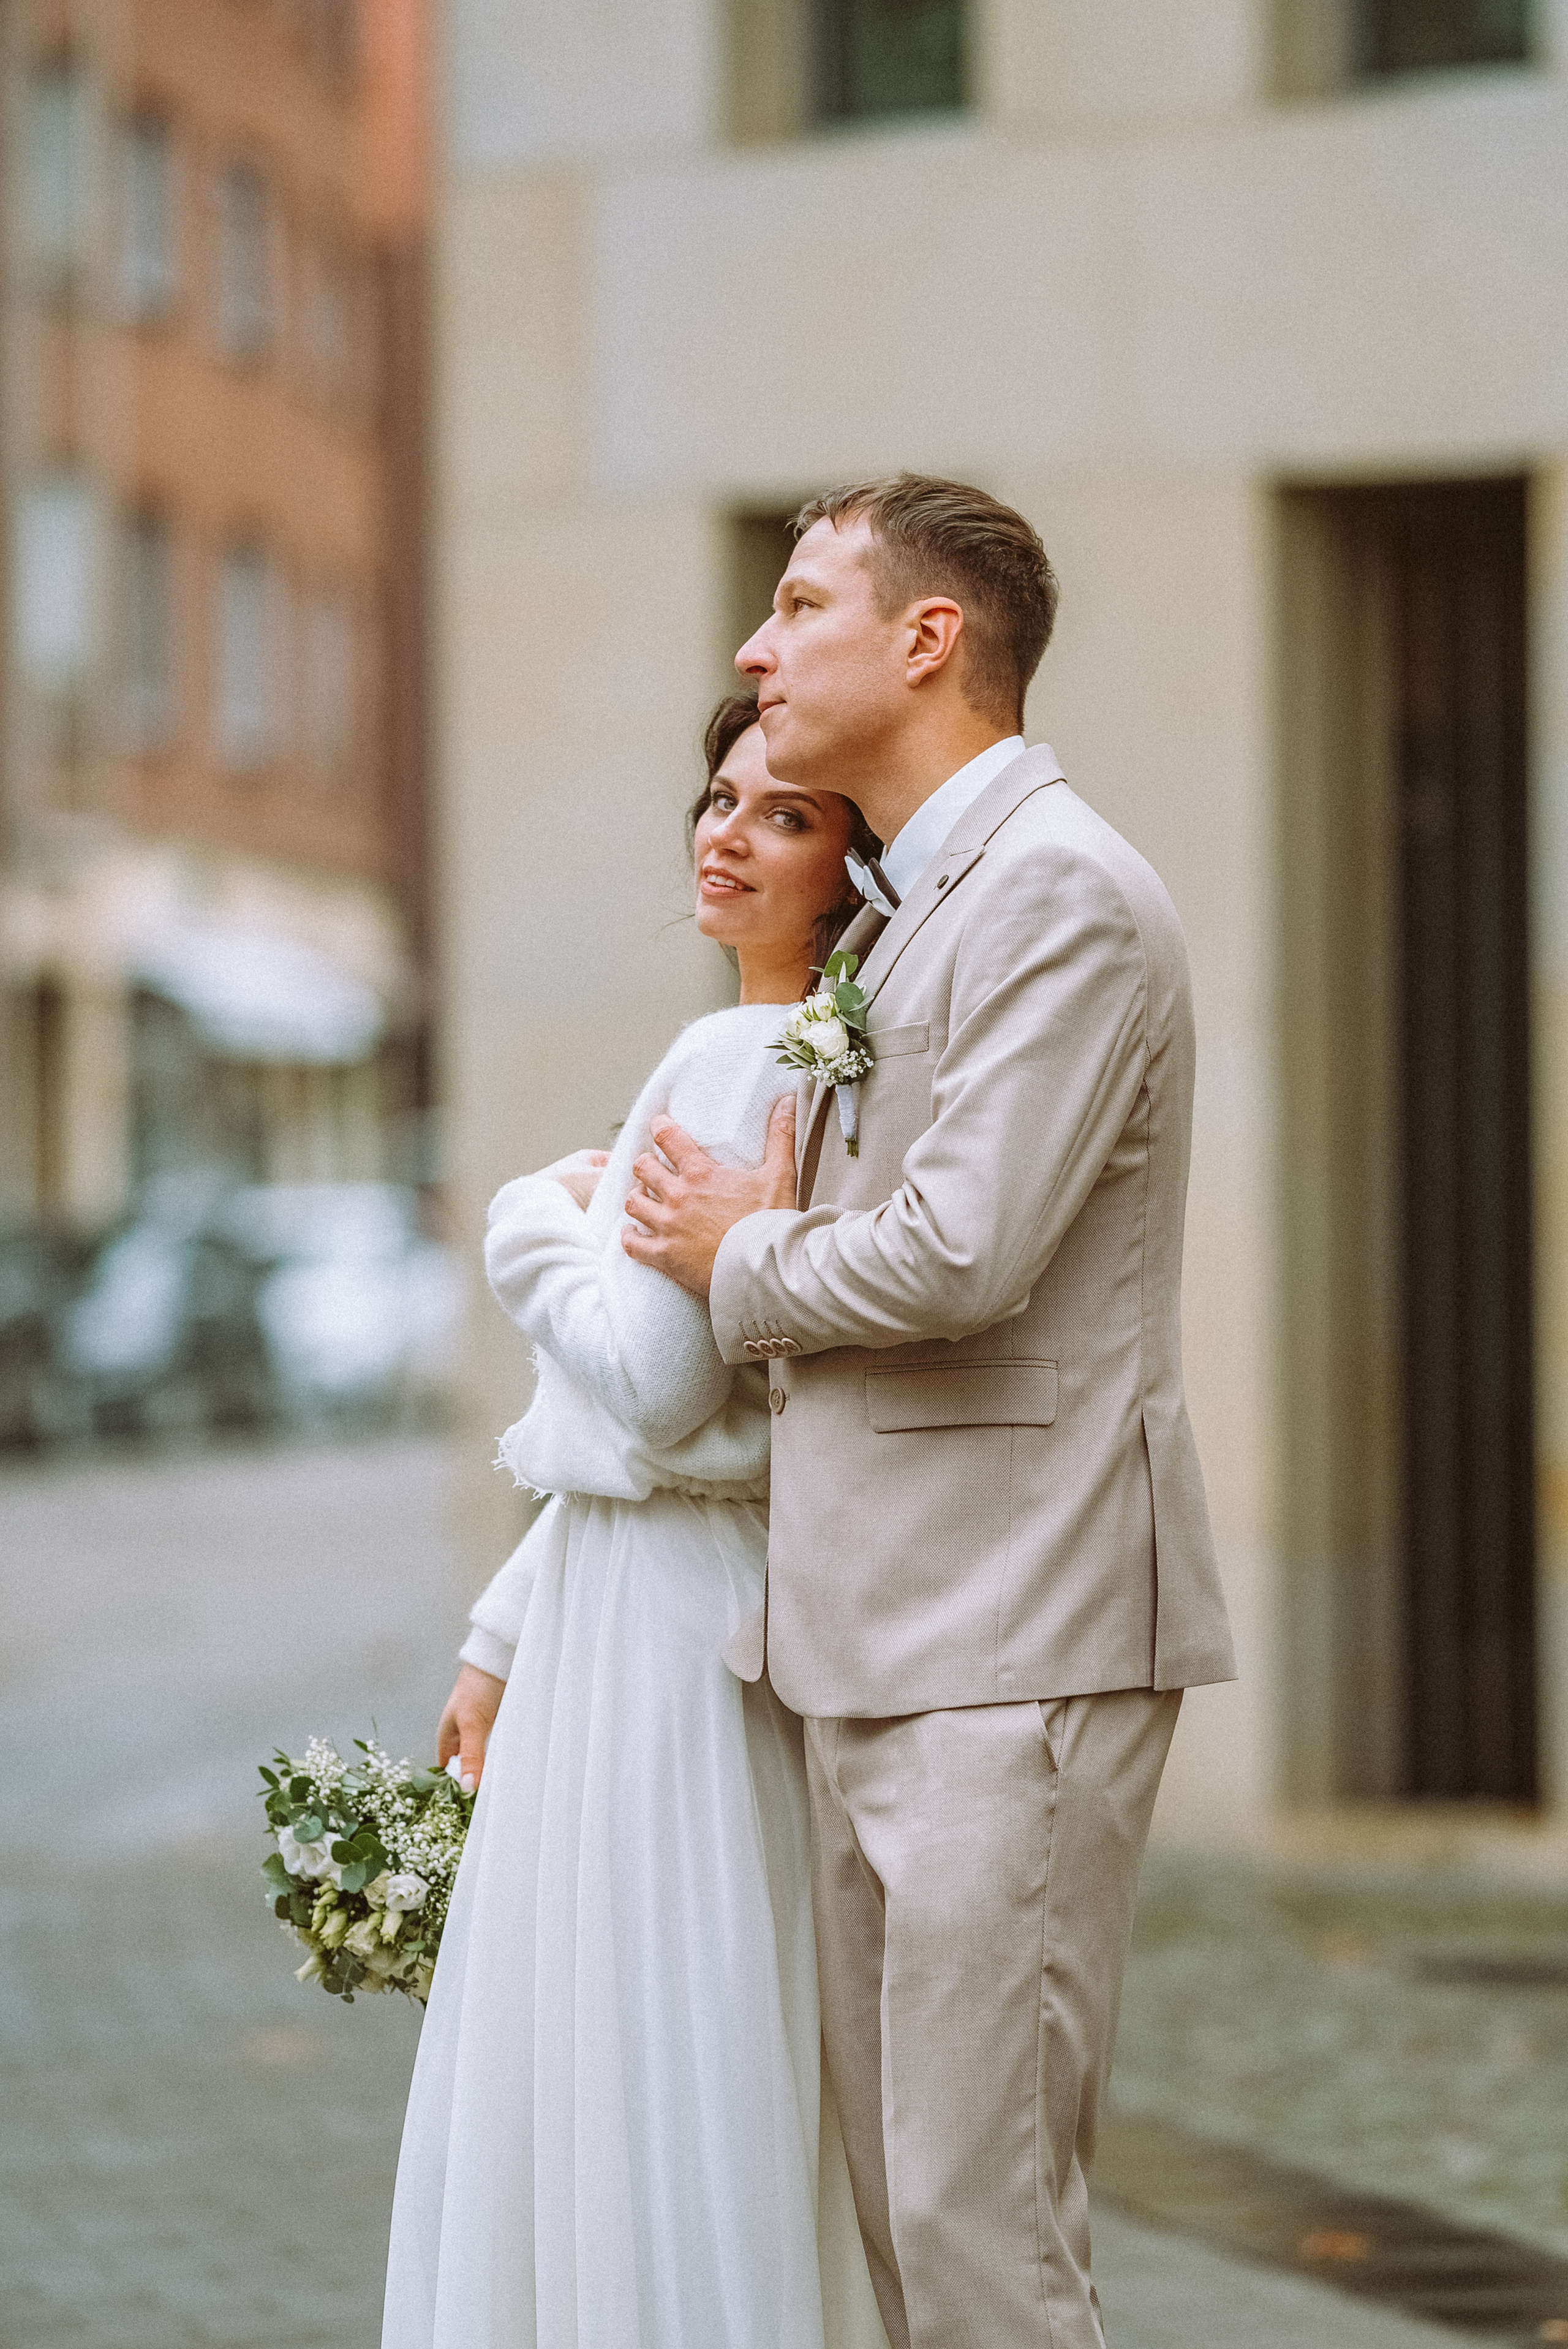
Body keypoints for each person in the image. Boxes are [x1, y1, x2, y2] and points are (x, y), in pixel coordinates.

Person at [620, 474, 1238, 2349]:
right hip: (873, 1645)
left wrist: (736, 1252)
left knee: (982, 2243)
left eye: (800, 603)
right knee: (907, 2225)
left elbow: (959, 1254)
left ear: (926, 640)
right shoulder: (901, 912)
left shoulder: (1060, 891)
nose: (756, 643)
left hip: (1016, 1645)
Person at [382, 697, 889, 2349]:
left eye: (787, 815)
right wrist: (503, 1627)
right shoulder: (817, 1055)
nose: (726, 832)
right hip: (676, 1594)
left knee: (616, 2048)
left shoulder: (739, 1056)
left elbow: (658, 1396)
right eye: (719, 797)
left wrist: (530, 1226)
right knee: (704, 2049)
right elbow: (684, 1438)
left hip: (661, 1642)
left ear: (852, 869)